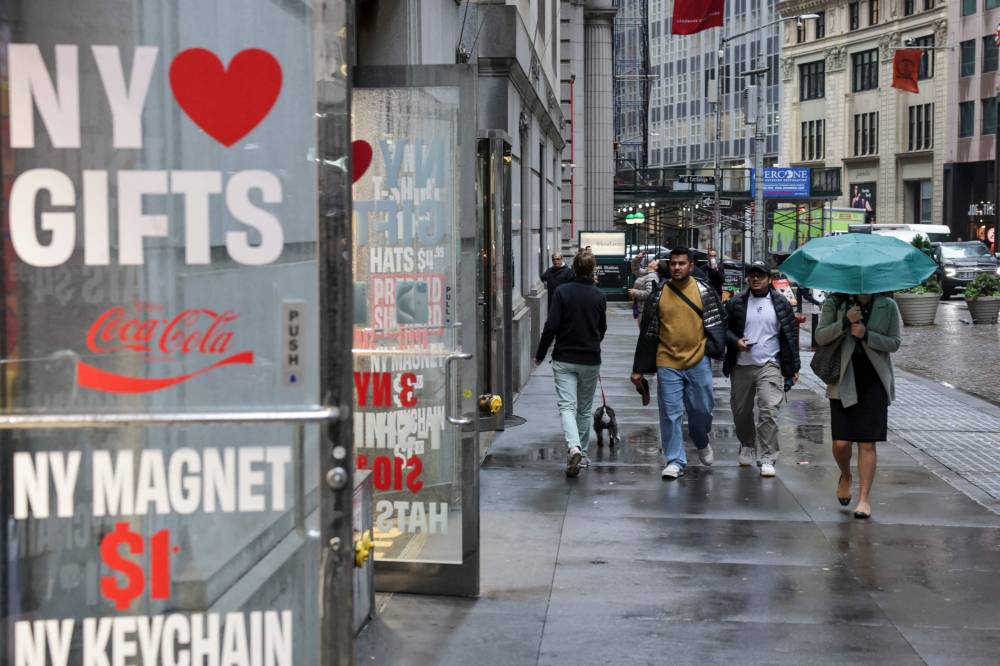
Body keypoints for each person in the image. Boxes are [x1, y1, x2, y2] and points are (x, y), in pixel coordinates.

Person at [631, 248, 726, 479]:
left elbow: (719, 321)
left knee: (701, 410)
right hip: (667, 361)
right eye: (673, 263)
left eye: (682, 263)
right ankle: (675, 460)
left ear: (691, 265)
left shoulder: (704, 291)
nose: (677, 267)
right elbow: (648, 333)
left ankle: (702, 440)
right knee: (670, 414)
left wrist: (715, 349)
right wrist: (638, 369)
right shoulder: (660, 293)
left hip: (698, 360)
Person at [815, 291, 901, 519]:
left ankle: (864, 500)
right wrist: (844, 322)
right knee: (841, 443)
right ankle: (845, 474)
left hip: (874, 380)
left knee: (867, 442)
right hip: (843, 377)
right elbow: (820, 337)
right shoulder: (836, 302)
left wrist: (866, 334)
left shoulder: (887, 306)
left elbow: (894, 343)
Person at [723, 261, 800, 477]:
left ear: (769, 278)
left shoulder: (780, 303)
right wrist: (736, 341)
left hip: (770, 364)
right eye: (752, 275)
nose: (755, 279)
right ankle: (747, 444)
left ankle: (767, 456)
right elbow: (722, 328)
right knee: (740, 412)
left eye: (760, 275)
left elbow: (790, 335)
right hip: (741, 364)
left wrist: (792, 367)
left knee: (768, 410)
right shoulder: (737, 301)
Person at [535, 251, 608, 477]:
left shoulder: (562, 292)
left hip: (564, 357)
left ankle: (573, 446)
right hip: (589, 358)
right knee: (584, 409)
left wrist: (539, 353)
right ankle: (582, 454)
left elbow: (551, 326)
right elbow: (601, 329)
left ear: (573, 268)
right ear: (593, 269)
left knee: (567, 406)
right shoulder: (599, 296)